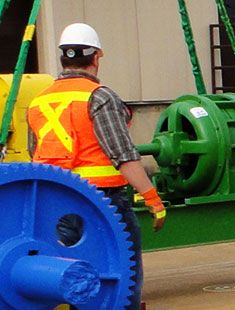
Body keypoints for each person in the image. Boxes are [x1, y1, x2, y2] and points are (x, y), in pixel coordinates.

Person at [27, 23, 166, 309]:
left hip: (56, 202)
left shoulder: (38, 101)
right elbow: (123, 155)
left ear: (63, 58)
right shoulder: (99, 97)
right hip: (102, 203)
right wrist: (152, 198)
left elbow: (35, 153)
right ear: (96, 56)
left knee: (72, 271)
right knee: (122, 273)